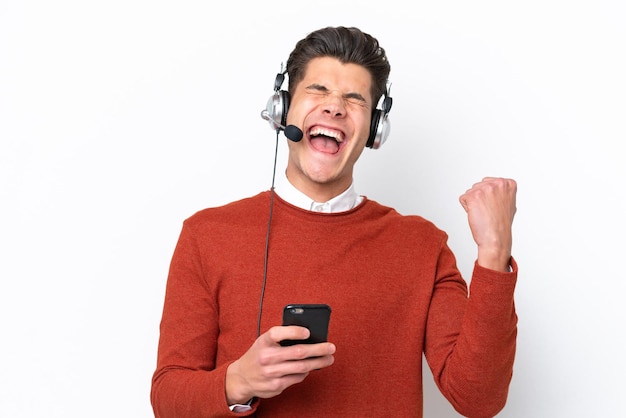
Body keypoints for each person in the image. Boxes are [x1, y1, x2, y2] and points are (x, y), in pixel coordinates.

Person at [150, 26, 518, 418]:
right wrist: (239, 380)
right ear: (283, 109)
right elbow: (168, 398)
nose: (335, 107)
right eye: (318, 90)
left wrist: (494, 254)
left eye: (354, 98)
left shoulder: (423, 245)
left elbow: (479, 399)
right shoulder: (207, 235)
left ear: (375, 129)